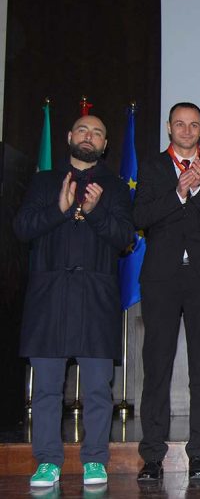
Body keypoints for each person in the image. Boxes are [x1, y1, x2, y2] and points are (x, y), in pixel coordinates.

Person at [14, 115, 134, 488]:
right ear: (69, 137)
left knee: (99, 388)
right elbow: (22, 228)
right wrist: (59, 208)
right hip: (49, 299)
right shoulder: (44, 181)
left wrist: (96, 213)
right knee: (48, 388)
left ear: (105, 144)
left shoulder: (115, 187)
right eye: (83, 130)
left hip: (96, 299)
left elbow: (125, 239)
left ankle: (95, 459)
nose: (89, 136)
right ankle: (48, 461)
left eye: (98, 132)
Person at [134, 102, 200, 481]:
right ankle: (152, 456)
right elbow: (140, 218)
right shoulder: (153, 167)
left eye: (193, 125)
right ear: (169, 128)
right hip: (161, 278)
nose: (187, 130)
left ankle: (198, 456)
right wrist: (177, 192)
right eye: (180, 124)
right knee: (157, 367)